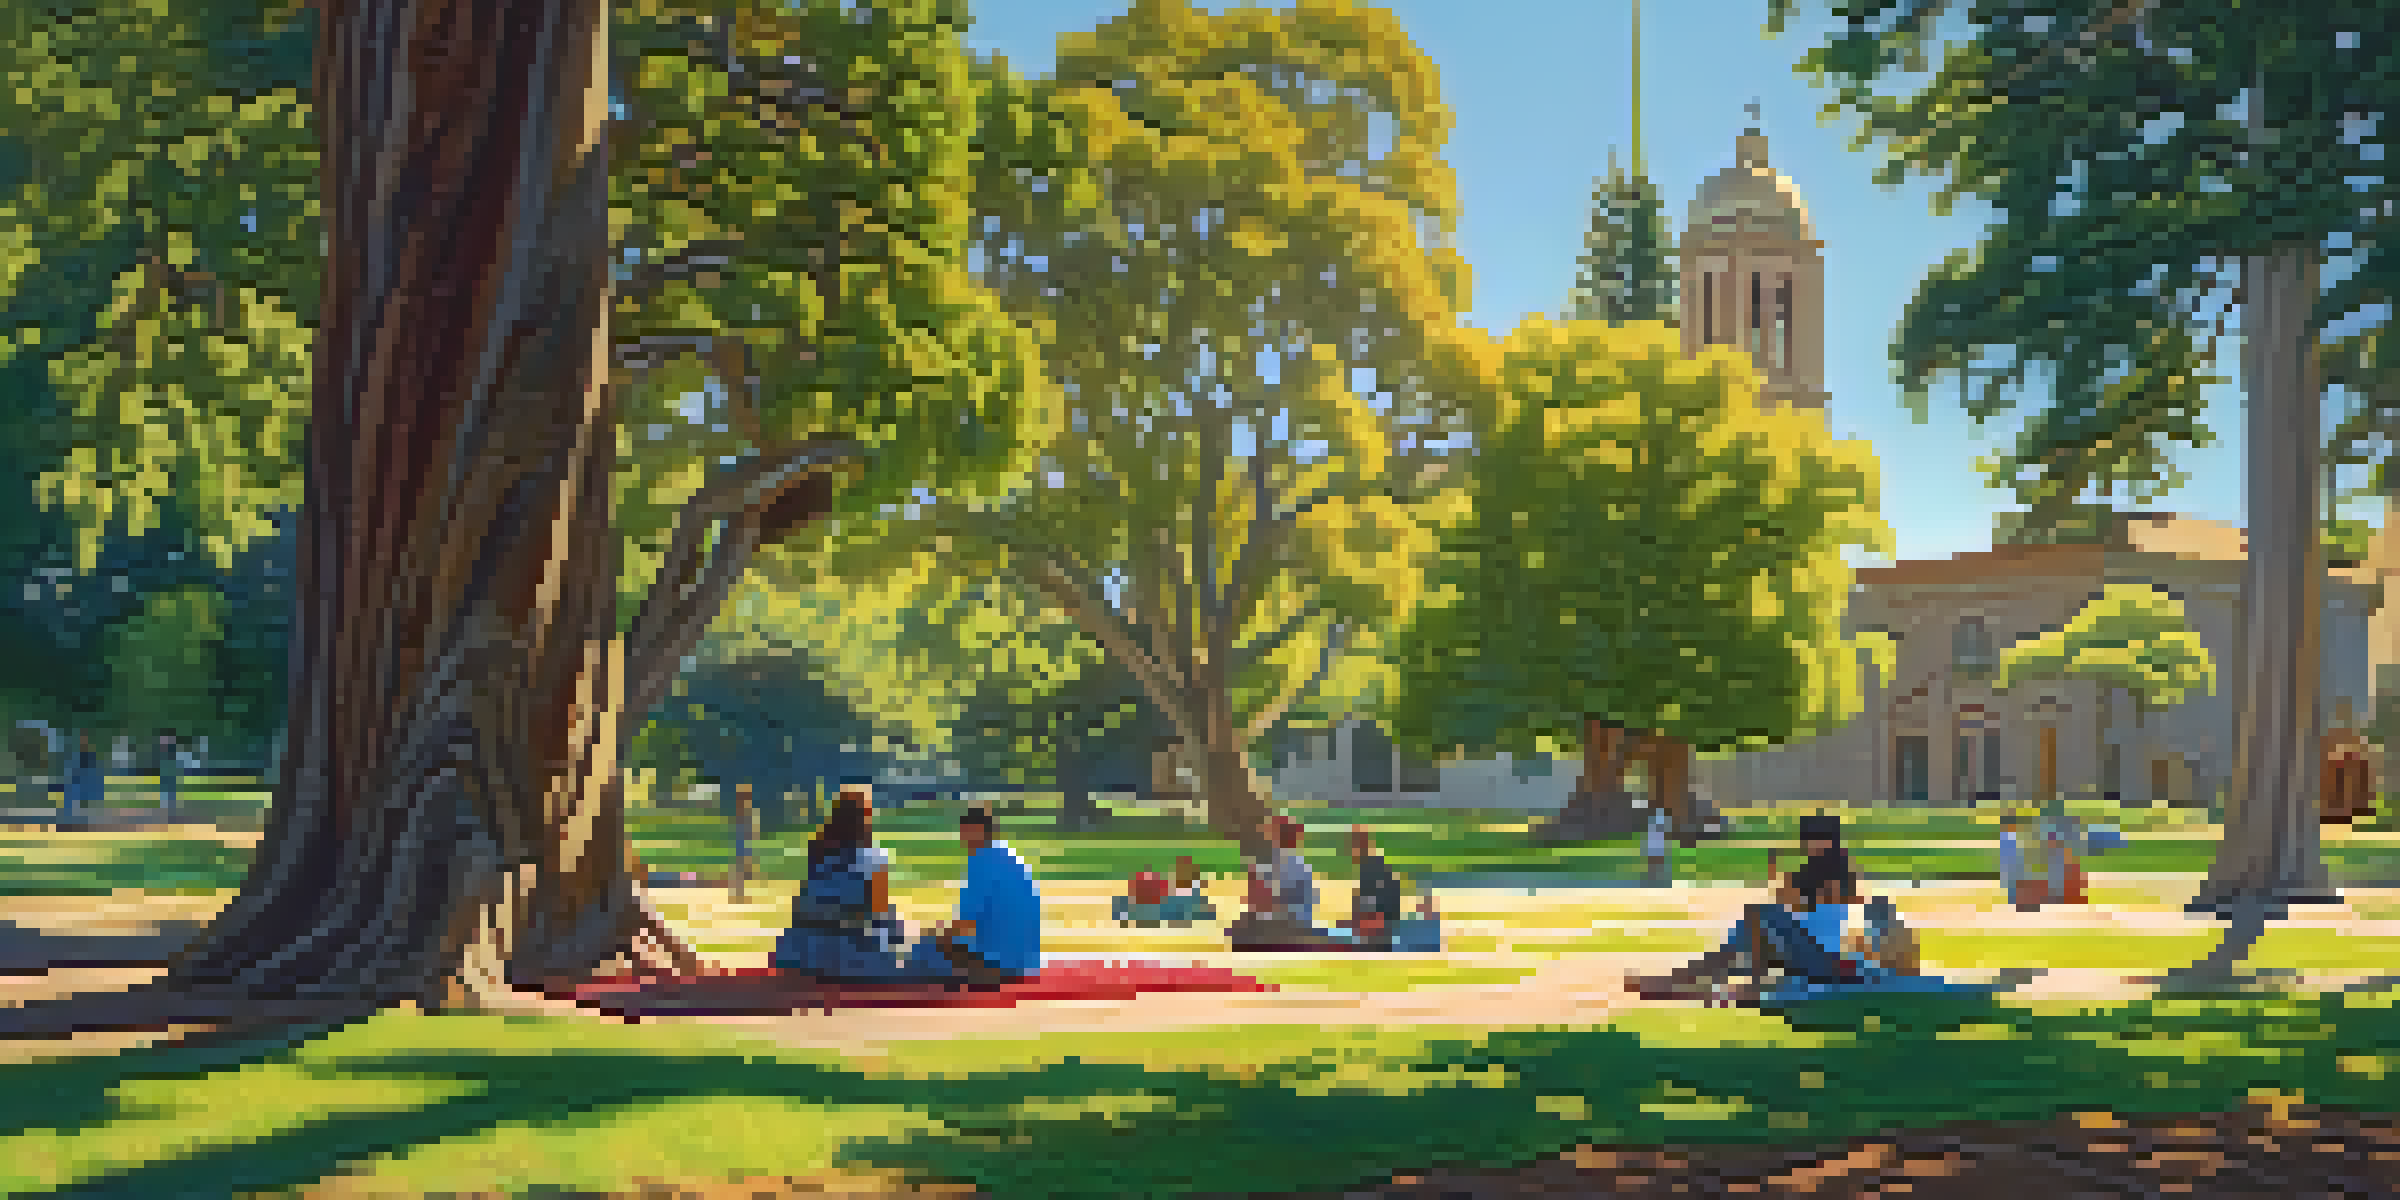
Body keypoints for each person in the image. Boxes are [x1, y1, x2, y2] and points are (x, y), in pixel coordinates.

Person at [1628, 814, 1865, 1003]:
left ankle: (1754, 983)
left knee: (1756, 914)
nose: (1809, 844)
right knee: (1732, 947)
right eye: (1808, 839)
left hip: (1820, 959)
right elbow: (1790, 903)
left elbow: (1804, 905)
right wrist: (1783, 878)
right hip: (1799, 950)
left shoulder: (1839, 874)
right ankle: (1668, 982)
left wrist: (1786, 883)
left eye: (1815, 839)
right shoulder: (1810, 871)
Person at [769, 784, 918, 981]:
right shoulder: (873, 855)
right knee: (901, 930)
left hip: (801, 951)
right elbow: (879, 911)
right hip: (851, 952)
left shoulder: (818, 851)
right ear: (866, 816)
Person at [906, 807, 1043, 985]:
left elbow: (966, 926)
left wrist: (931, 936)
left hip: (998, 965)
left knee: (922, 951)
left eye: (964, 833)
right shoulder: (1012, 856)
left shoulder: (981, 862)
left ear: (975, 831)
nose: (962, 840)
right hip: (1026, 963)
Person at [1337, 826, 1402, 948]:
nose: (1350, 852)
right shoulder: (1371, 867)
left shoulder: (1374, 869)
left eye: (1352, 846)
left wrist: (1360, 922)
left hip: (1377, 934)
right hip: (1374, 930)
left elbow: (1378, 909)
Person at [1998, 814, 2027, 909]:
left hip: (2013, 863)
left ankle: (2015, 900)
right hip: (2011, 863)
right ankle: (2014, 900)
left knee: (2013, 879)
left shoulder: (2010, 836)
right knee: (2012, 879)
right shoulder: (2008, 836)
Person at [1644, 808, 1673, 888]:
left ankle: (1659, 882)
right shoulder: (1654, 818)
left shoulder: (1662, 818)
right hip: (1655, 849)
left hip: (1658, 849)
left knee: (1658, 866)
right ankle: (1656, 882)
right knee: (1655, 866)